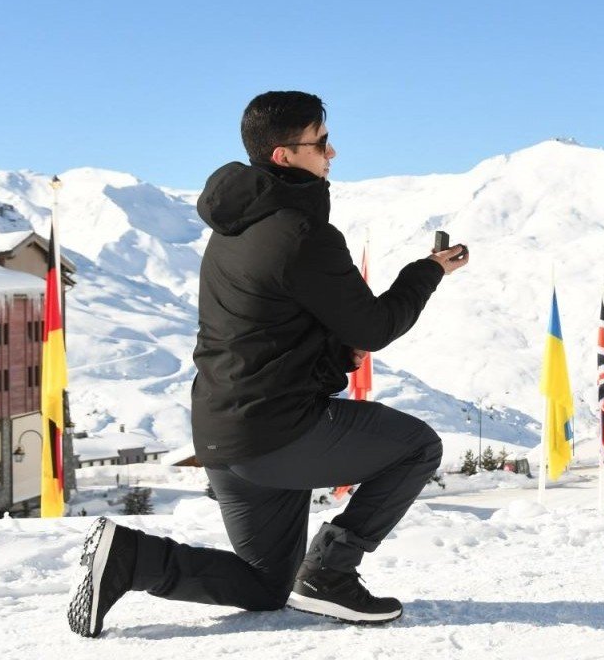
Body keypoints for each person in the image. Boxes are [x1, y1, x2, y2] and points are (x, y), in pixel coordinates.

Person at [68, 90, 470, 637]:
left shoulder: (234, 226)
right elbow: (375, 327)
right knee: (418, 447)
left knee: (265, 584)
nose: (332, 153)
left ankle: (130, 558)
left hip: (223, 432)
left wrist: (334, 349)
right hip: (279, 433)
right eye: (321, 143)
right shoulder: (301, 233)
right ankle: (330, 573)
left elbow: (265, 327)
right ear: (284, 155)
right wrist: (427, 272)